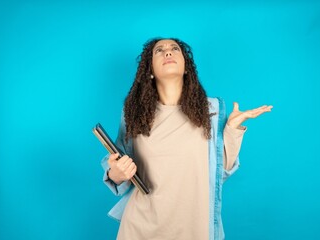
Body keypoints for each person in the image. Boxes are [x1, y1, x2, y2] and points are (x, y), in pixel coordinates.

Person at [101, 37, 273, 240]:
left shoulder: (211, 112)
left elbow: (219, 173)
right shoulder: (135, 113)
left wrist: (232, 130)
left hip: (194, 229)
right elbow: (118, 165)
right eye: (159, 50)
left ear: (185, 67)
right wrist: (116, 174)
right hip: (141, 227)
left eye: (175, 49)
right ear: (150, 71)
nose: (168, 52)